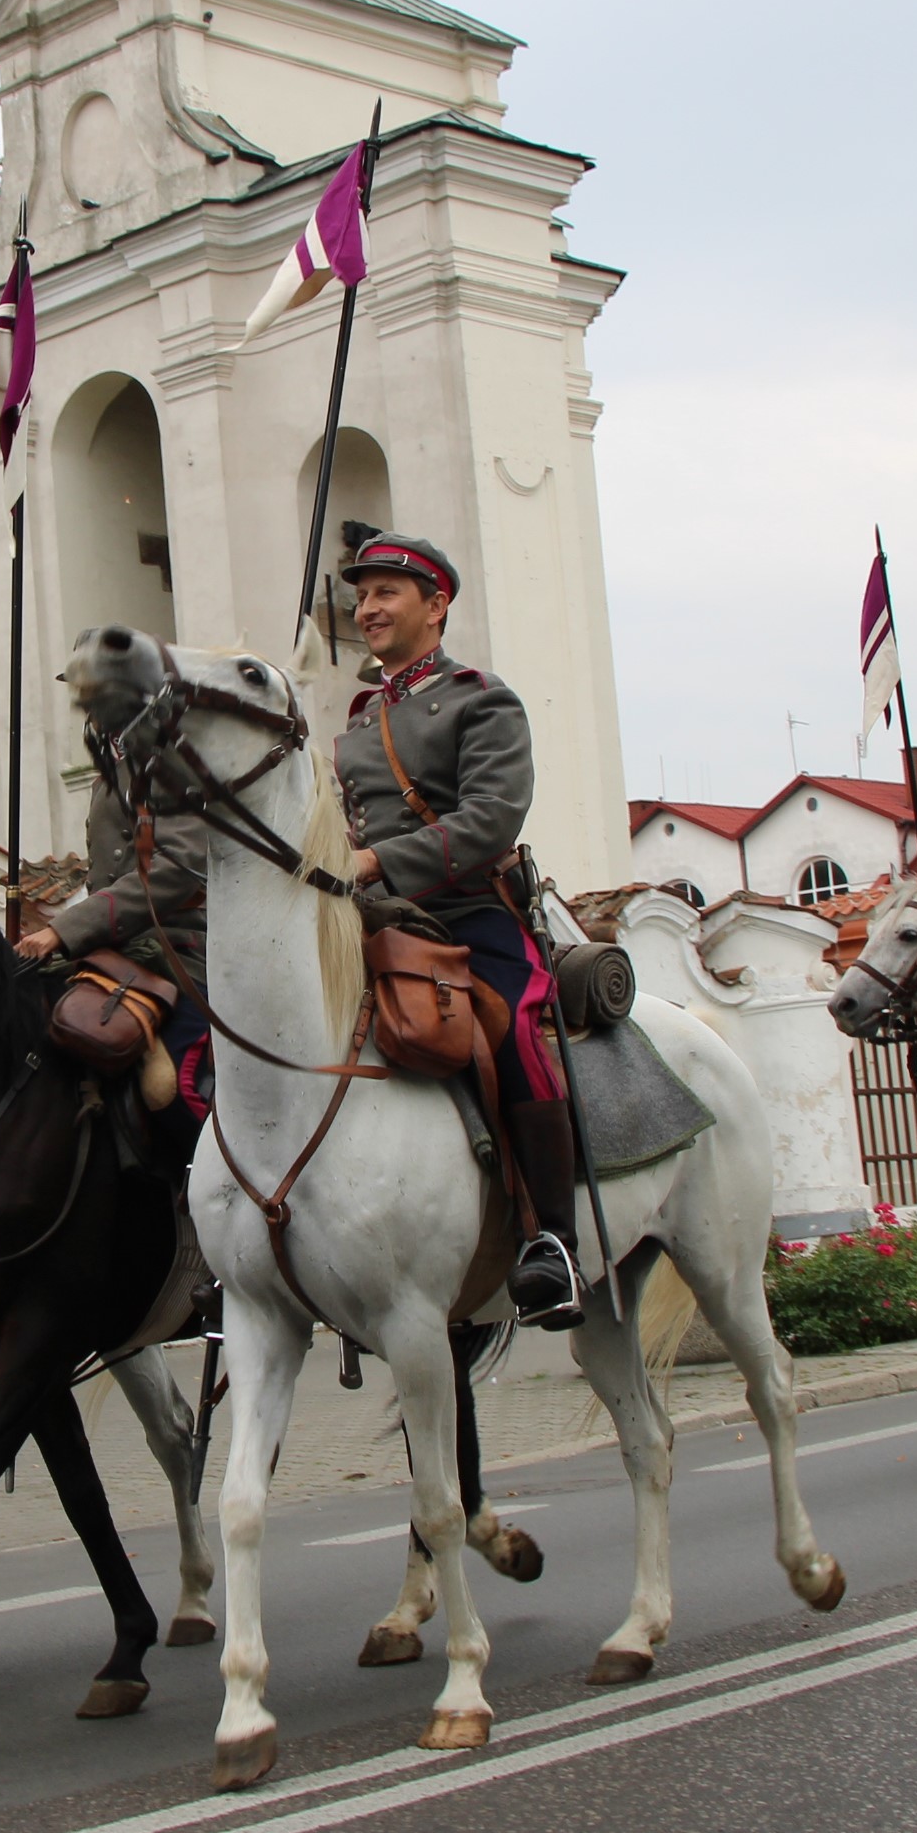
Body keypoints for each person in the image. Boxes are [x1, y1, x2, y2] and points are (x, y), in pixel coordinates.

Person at [331, 533, 581, 1329]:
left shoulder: (483, 699)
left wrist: (376, 863)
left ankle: (555, 1245)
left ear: (435, 607)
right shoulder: (361, 715)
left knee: (511, 1035)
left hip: (471, 914)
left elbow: (488, 820)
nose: (367, 608)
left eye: (386, 593)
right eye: (362, 595)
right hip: (375, 919)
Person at [15, 771, 214, 1158]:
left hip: (173, 951)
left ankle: (226, 1199)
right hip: (106, 956)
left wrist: (64, 929)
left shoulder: (173, 757)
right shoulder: (111, 768)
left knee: (169, 1089)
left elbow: (177, 870)